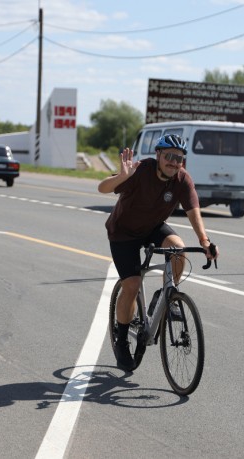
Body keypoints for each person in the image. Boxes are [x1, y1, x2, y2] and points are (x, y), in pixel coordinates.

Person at [97, 134, 218, 371]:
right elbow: (102, 188)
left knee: (179, 249)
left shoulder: (182, 180)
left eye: (179, 159)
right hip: (123, 233)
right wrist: (122, 176)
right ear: (159, 155)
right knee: (131, 286)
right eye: (170, 157)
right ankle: (121, 341)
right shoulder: (140, 171)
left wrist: (204, 241)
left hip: (151, 228)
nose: (174, 163)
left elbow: (194, 211)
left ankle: (166, 295)